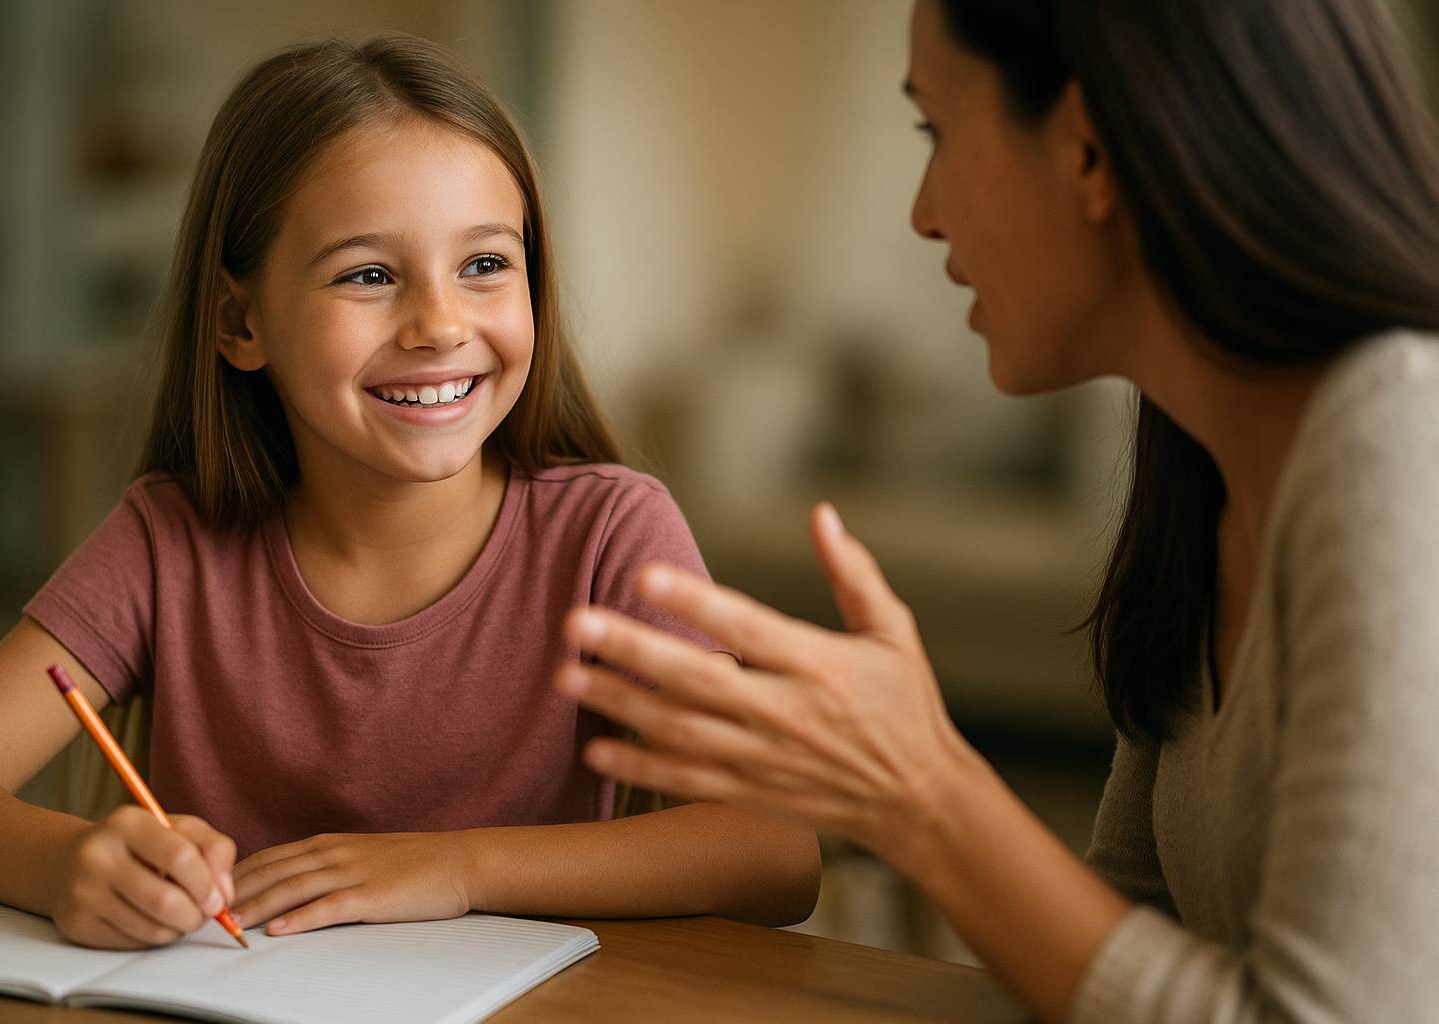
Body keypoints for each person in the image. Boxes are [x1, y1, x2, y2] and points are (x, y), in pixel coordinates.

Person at [554, 1, 1439, 1021]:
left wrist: (923, 791)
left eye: (938, 129)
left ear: (1089, 150)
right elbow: (1122, 945)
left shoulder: (1400, 440)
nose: (925, 212)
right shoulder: (1207, 466)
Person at [0, 35, 819, 951]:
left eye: (486, 264)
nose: (440, 324)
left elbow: (772, 850)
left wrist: (458, 868)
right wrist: (62, 863)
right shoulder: (168, 541)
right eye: (369, 275)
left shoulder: (609, 532)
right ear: (240, 320)